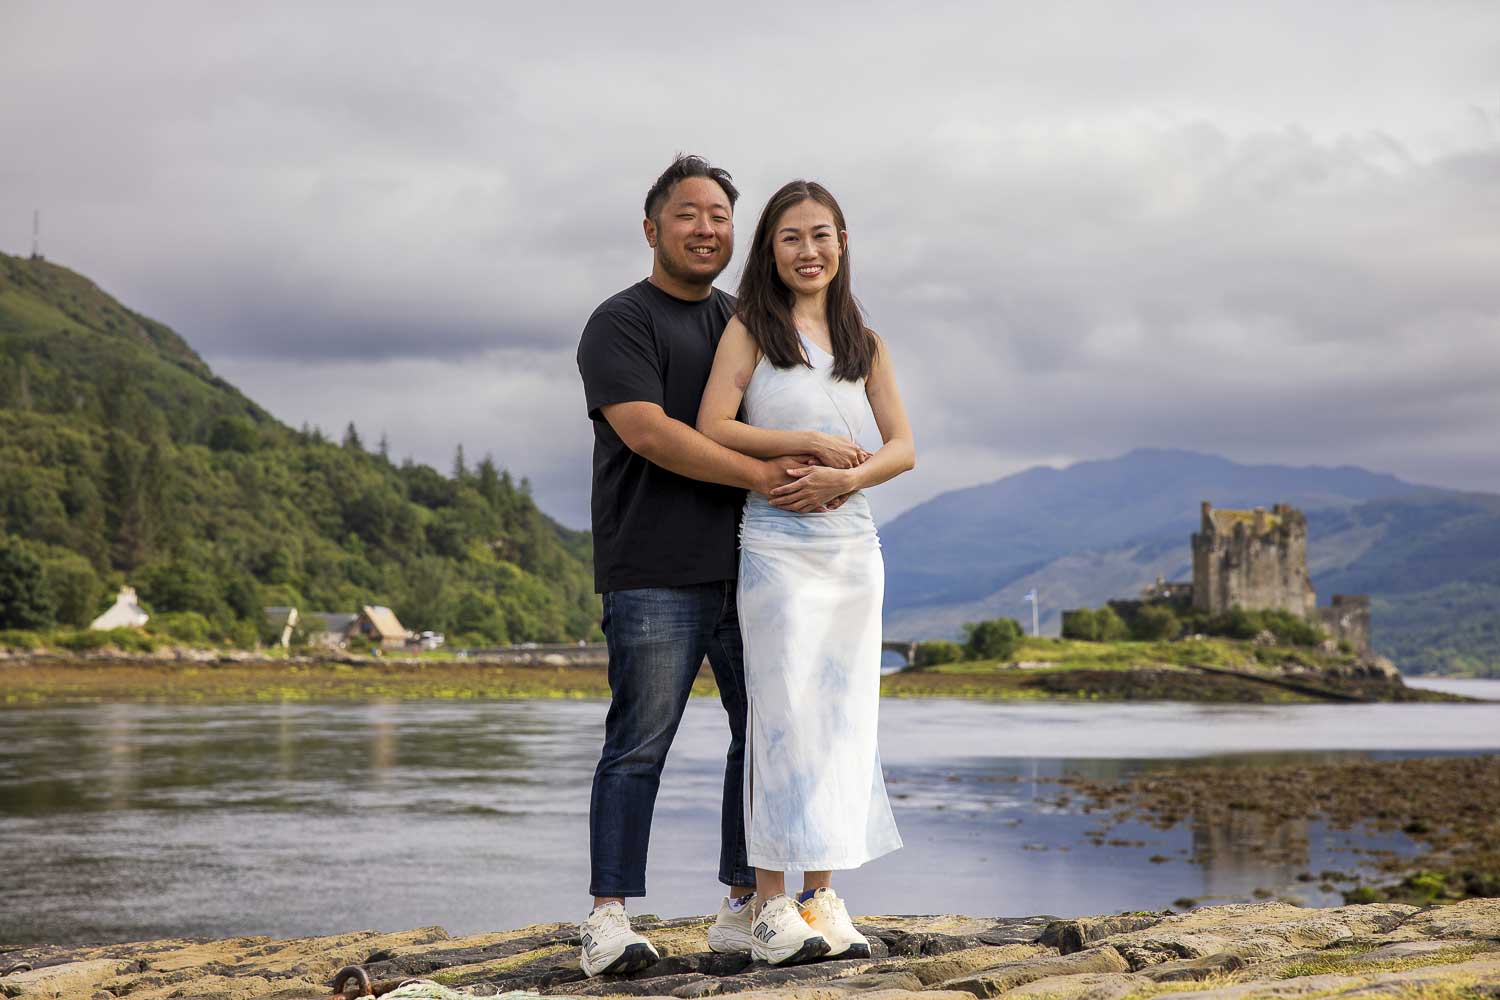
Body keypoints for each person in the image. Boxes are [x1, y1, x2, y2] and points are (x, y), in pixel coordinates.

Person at [574, 155, 815, 977]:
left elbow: (789, 408)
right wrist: (761, 475)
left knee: (763, 739)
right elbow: (650, 433)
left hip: (753, 567)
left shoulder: (745, 323)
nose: (706, 229)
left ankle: (743, 905)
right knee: (638, 743)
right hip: (651, 569)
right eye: (688, 214)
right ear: (652, 229)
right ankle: (608, 919)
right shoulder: (619, 322)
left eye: (720, 217)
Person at [696, 180, 915, 966]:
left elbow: (902, 447)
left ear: (842, 243)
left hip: (852, 549)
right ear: (771, 250)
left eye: (820, 235)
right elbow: (713, 425)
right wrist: (808, 445)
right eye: (791, 237)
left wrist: (846, 478)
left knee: (842, 717)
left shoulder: (865, 343)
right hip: (777, 548)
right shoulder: (751, 330)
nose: (808, 250)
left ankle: (820, 897)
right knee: (782, 715)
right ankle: (769, 905)